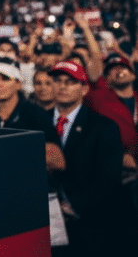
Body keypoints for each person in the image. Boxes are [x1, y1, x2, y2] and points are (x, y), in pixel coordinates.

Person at [46, 60, 129, 254]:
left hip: (87, 226)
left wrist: (71, 205)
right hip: (45, 225)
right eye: (58, 80)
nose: (63, 86)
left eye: (70, 81)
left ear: (84, 89)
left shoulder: (104, 127)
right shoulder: (39, 119)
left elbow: (109, 177)